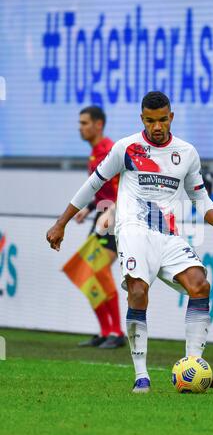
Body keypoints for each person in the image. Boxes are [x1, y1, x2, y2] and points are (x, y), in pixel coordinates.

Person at [47, 92, 213, 393]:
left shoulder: (187, 152)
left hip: (167, 235)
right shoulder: (126, 148)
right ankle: (141, 377)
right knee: (138, 290)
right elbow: (94, 183)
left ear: (171, 117)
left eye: (163, 119)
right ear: (142, 119)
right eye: (151, 120)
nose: (158, 126)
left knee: (199, 284)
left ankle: (193, 366)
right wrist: (61, 222)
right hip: (132, 230)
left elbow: (199, 196)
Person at [74, 106, 125, 349]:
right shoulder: (96, 152)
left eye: (84, 123)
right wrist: (89, 207)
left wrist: (112, 210)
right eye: (80, 123)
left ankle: (116, 332)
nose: (80, 127)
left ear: (98, 125)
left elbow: (122, 187)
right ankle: (106, 331)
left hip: (114, 218)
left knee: (99, 270)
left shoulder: (108, 150)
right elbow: (102, 189)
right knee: (86, 273)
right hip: (102, 215)